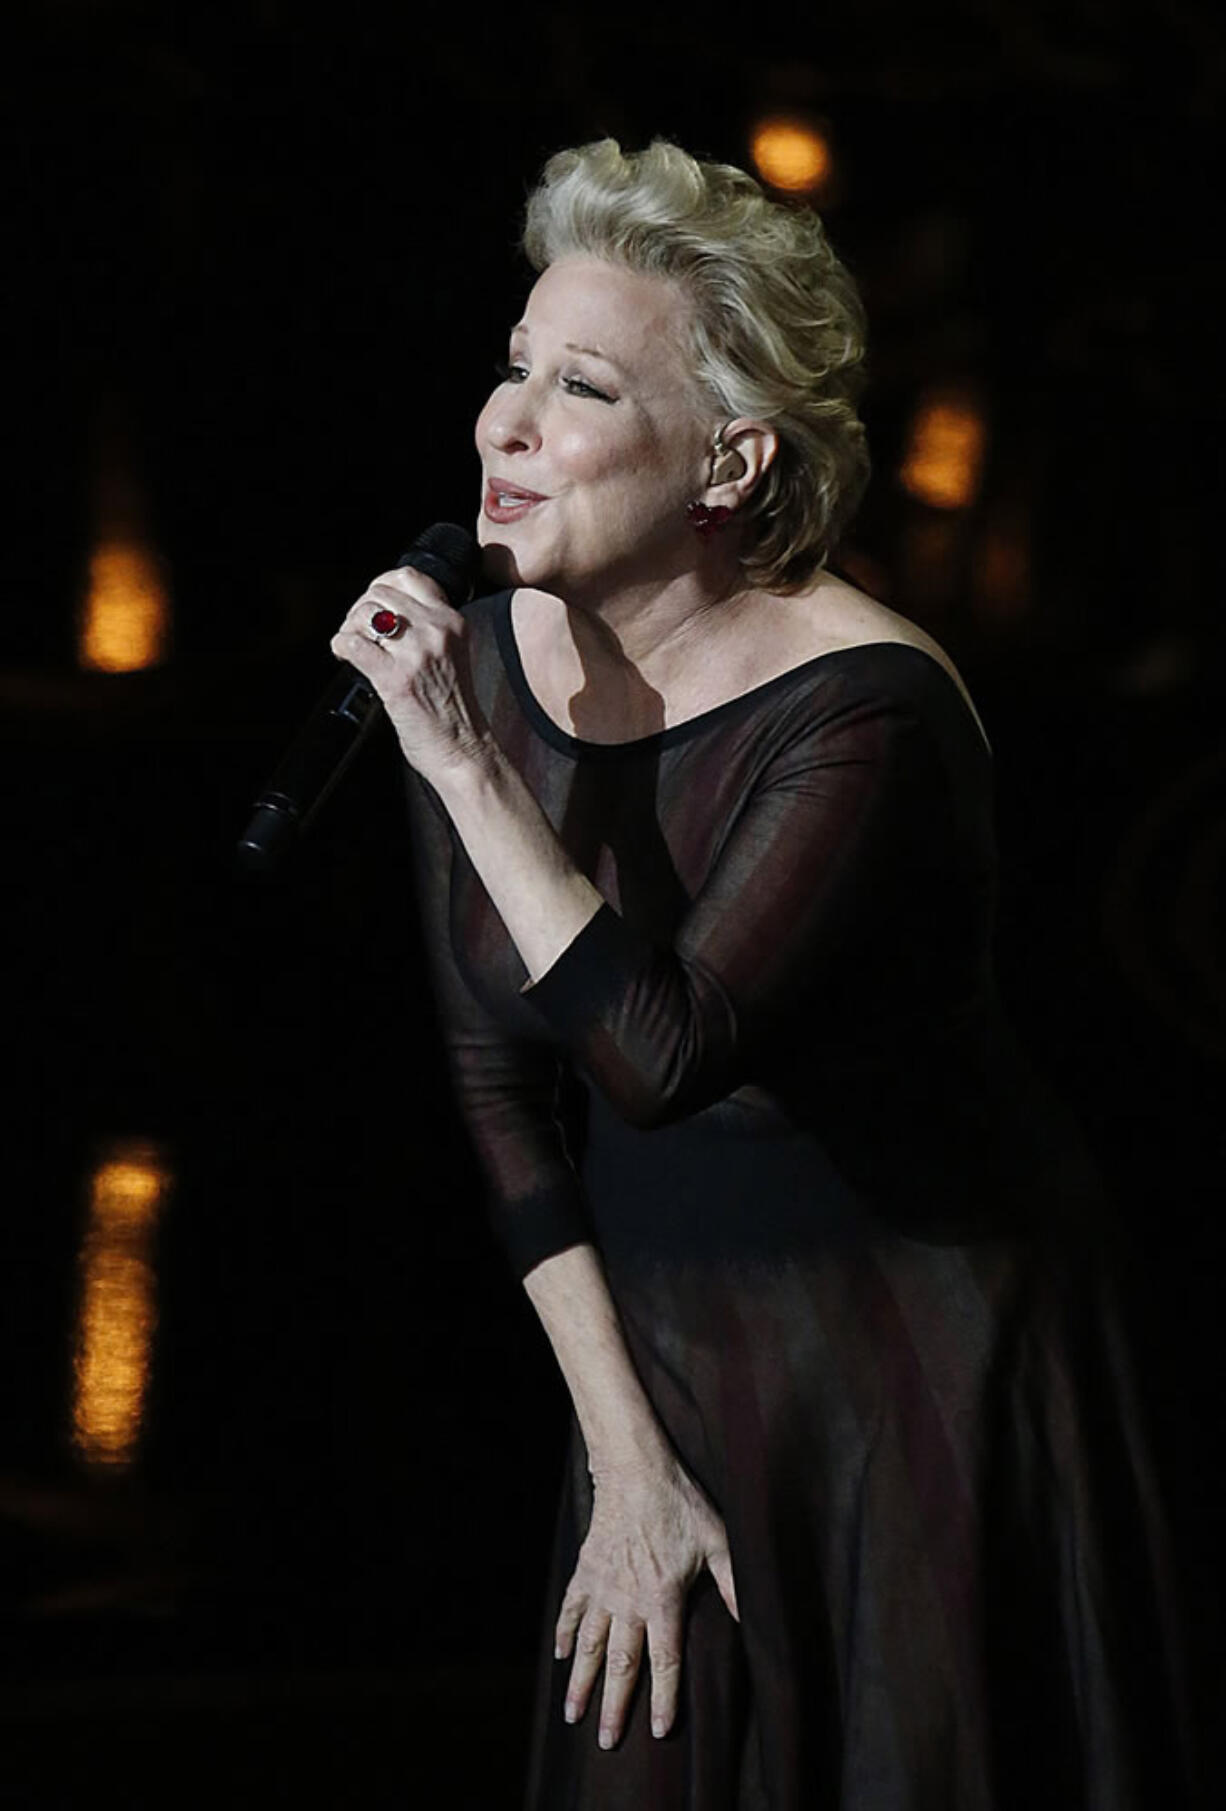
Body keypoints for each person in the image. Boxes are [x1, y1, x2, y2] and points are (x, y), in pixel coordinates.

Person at [332, 139, 1195, 1809]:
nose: (503, 424)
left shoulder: (863, 714)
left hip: (906, 1355)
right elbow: (496, 1081)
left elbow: (659, 1055)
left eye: (576, 386)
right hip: (660, 1347)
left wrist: (457, 772)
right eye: (512, 366)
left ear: (728, 457)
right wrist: (622, 1458)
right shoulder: (493, 654)